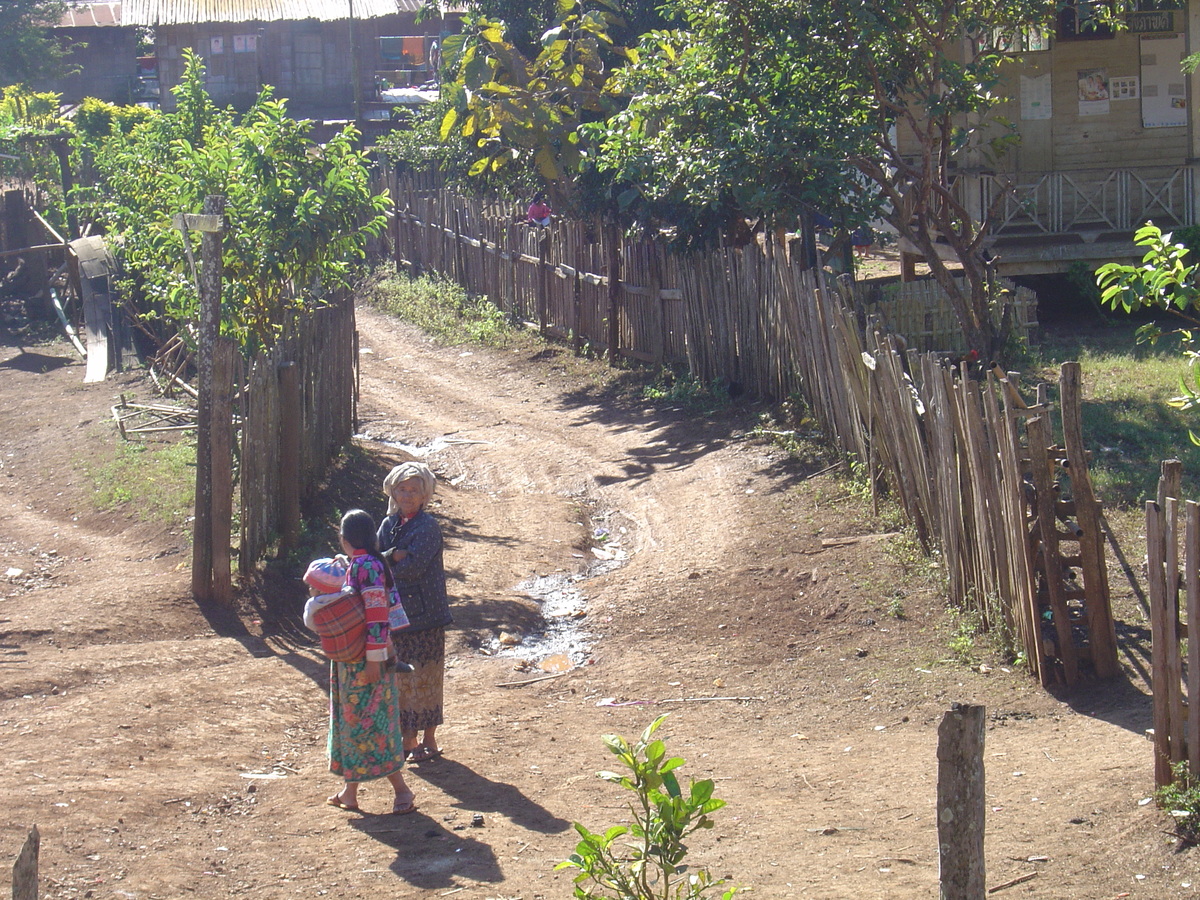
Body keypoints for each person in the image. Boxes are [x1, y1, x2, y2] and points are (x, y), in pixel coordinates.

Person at [326, 509, 417, 816]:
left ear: (344, 538)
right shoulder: (368, 563)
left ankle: (402, 790)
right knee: (354, 725)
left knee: (371, 725)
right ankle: (349, 793)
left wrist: (374, 660)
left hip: (365, 660)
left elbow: (377, 615)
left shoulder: (365, 566)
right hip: (357, 659)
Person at [378, 461, 452, 762]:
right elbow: (376, 561)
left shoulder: (428, 527)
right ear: (393, 492)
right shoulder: (388, 525)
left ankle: (430, 739)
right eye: (402, 489)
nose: (407, 496)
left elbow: (414, 567)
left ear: (424, 496)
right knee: (403, 680)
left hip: (427, 615)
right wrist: (391, 555)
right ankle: (408, 741)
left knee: (428, 677)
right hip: (396, 615)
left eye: (414, 490)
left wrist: (389, 561)